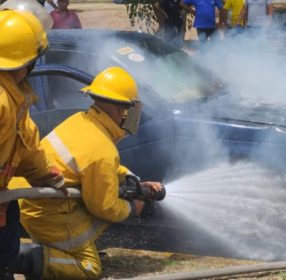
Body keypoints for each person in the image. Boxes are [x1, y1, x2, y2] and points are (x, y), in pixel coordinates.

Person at [15, 66, 163, 279]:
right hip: (46, 214)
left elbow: (97, 168)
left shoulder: (82, 121)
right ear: (123, 110)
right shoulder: (102, 149)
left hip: (32, 200)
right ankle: (25, 258)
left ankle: (47, 253)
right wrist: (133, 207)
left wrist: (135, 182)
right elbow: (105, 206)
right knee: (89, 268)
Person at [0, 5, 66, 280]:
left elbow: (26, 144)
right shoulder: (2, 101)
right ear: (27, 62)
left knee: (8, 240)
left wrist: (47, 175)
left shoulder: (14, 97)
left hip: (3, 201)